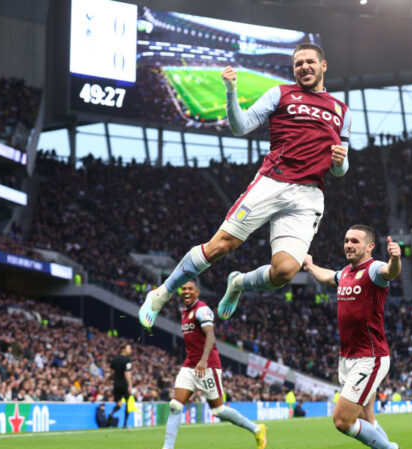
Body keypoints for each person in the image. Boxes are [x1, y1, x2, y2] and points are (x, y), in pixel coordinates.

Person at [139, 43, 351, 329]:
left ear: (323, 66)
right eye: (298, 63)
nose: (304, 67)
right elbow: (240, 127)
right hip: (272, 183)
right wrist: (230, 91)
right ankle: (161, 293)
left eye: (310, 62)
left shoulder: (341, 110)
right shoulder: (280, 94)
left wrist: (339, 162)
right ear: (294, 69)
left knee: (285, 273)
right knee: (219, 247)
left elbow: (340, 171)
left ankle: (238, 283)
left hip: (309, 196)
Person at [302, 225, 407, 449]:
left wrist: (395, 258)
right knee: (367, 418)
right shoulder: (346, 273)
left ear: (369, 246)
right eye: (346, 240)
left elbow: (390, 272)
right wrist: (311, 266)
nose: (349, 245)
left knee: (342, 421)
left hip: (369, 358)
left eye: (355, 241)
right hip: (347, 358)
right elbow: (328, 277)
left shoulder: (373, 269)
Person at [144, 281, 267, 449]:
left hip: (207, 366)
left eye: (190, 289)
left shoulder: (202, 310)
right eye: (183, 289)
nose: (185, 291)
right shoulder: (184, 312)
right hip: (189, 366)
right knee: (175, 405)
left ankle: (257, 429)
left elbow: (210, 335)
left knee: (217, 410)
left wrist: (203, 361)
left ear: (197, 292)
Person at [108, 343, 133, 427]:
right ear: (123, 349)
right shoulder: (127, 360)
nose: (130, 350)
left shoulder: (115, 359)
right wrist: (129, 385)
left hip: (116, 384)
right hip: (124, 384)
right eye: (128, 348)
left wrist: (113, 378)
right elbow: (127, 373)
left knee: (119, 404)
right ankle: (125, 424)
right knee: (128, 403)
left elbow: (111, 372)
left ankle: (111, 414)